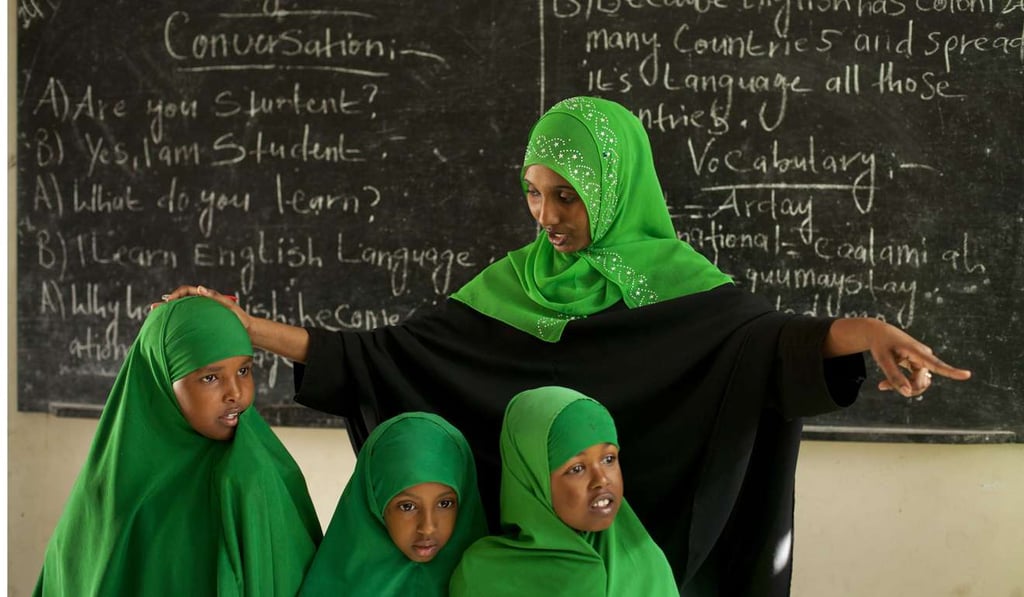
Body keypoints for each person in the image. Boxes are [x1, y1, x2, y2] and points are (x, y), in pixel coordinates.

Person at [164, 96, 971, 594]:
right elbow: (383, 358)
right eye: (534, 193)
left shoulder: (681, 289)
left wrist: (862, 333)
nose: (547, 217)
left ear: (616, 189)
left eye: (567, 196)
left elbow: (766, 350)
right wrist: (247, 330)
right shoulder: (509, 287)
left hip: (647, 569)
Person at [33, 296, 322, 597]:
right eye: (210, 377)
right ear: (159, 381)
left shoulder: (256, 475)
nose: (235, 392)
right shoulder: (105, 495)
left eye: (244, 371)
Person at [449, 386, 678, 597]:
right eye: (576, 468)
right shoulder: (481, 577)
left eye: (609, 459)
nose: (602, 480)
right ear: (533, 479)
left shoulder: (644, 563)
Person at [298, 412, 487, 596]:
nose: (428, 528)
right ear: (374, 502)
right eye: (407, 506)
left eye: (445, 503)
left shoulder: (490, 582)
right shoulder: (332, 587)